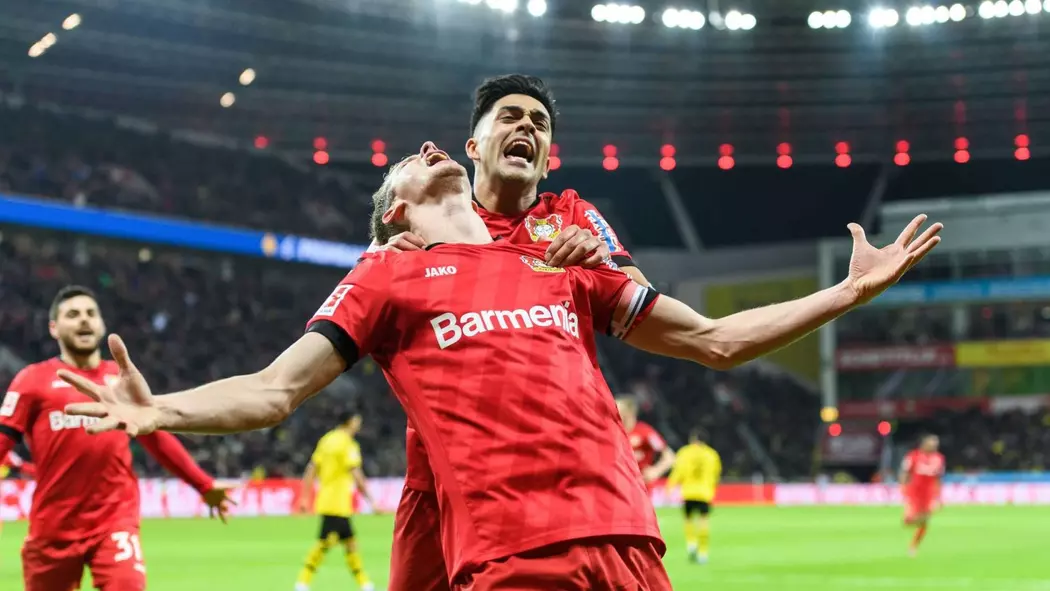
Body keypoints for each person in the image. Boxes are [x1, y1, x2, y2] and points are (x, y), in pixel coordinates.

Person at [60, 142, 941, 590]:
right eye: (412, 163)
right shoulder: (387, 273)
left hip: (632, 543)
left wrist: (846, 294)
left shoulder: (563, 262)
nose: (430, 148)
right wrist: (162, 409)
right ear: (397, 215)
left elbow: (717, 339)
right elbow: (274, 389)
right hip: (518, 554)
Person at [376, 74, 655, 591]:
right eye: (510, 116)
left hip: (548, 468)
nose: (527, 125)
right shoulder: (433, 217)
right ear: (473, 147)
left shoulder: (570, 216)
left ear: (547, 161)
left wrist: (598, 261)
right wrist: (387, 256)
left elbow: (642, 304)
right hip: (441, 467)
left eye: (539, 123)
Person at [0, 285, 231, 591]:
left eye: (90, 313)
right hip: (52, 525)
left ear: (101, 324)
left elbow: (157, 440)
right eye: (73, 314)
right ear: (54, 328)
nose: (84, 319)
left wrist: (203, 484)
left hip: (114, 520)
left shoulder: (121, 382)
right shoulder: (33, 380)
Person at [294, 410, 377, 591]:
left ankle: (365, 584)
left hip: (326, 500)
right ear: (350, 422)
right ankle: (302, 582)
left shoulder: (326, 440)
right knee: (325, 543)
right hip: (338, 503)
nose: (358, 425)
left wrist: (304, 497)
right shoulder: (347, 444)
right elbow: (356, 473)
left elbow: (311, 469)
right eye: (357, 421)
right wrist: (371, 501)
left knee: (350, 543)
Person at [666, 428, 721, 564]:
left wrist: (670, 487)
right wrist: (711, 487)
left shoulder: (684, 452)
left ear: (693, 439)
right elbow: (716, 473)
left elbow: (678, 472)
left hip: (688, 492)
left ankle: (691, 544)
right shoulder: (712, 454)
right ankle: (703, 553)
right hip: (704, 493)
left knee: (688, 519)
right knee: (703, 520)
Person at [899, 433, 944, 556]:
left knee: (925, 522)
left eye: (936, 444)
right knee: (910, 520)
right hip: (914, 491)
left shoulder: (939, 458)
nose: (934, 446)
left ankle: (913, 546)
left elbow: (938, 478)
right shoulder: (913, 456)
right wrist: (903, 488)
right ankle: (909, 520)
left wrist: (938, 497)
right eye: (932, 444)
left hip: (928, 493)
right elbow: (905, 472)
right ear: (924, 444)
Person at [616, 396, 676, 485]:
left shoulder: (646, 432)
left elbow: (670, 456)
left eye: (617, 409)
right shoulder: (613, 433)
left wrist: (656, 471)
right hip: (619, 483)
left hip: (640, 485)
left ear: (628, 413)